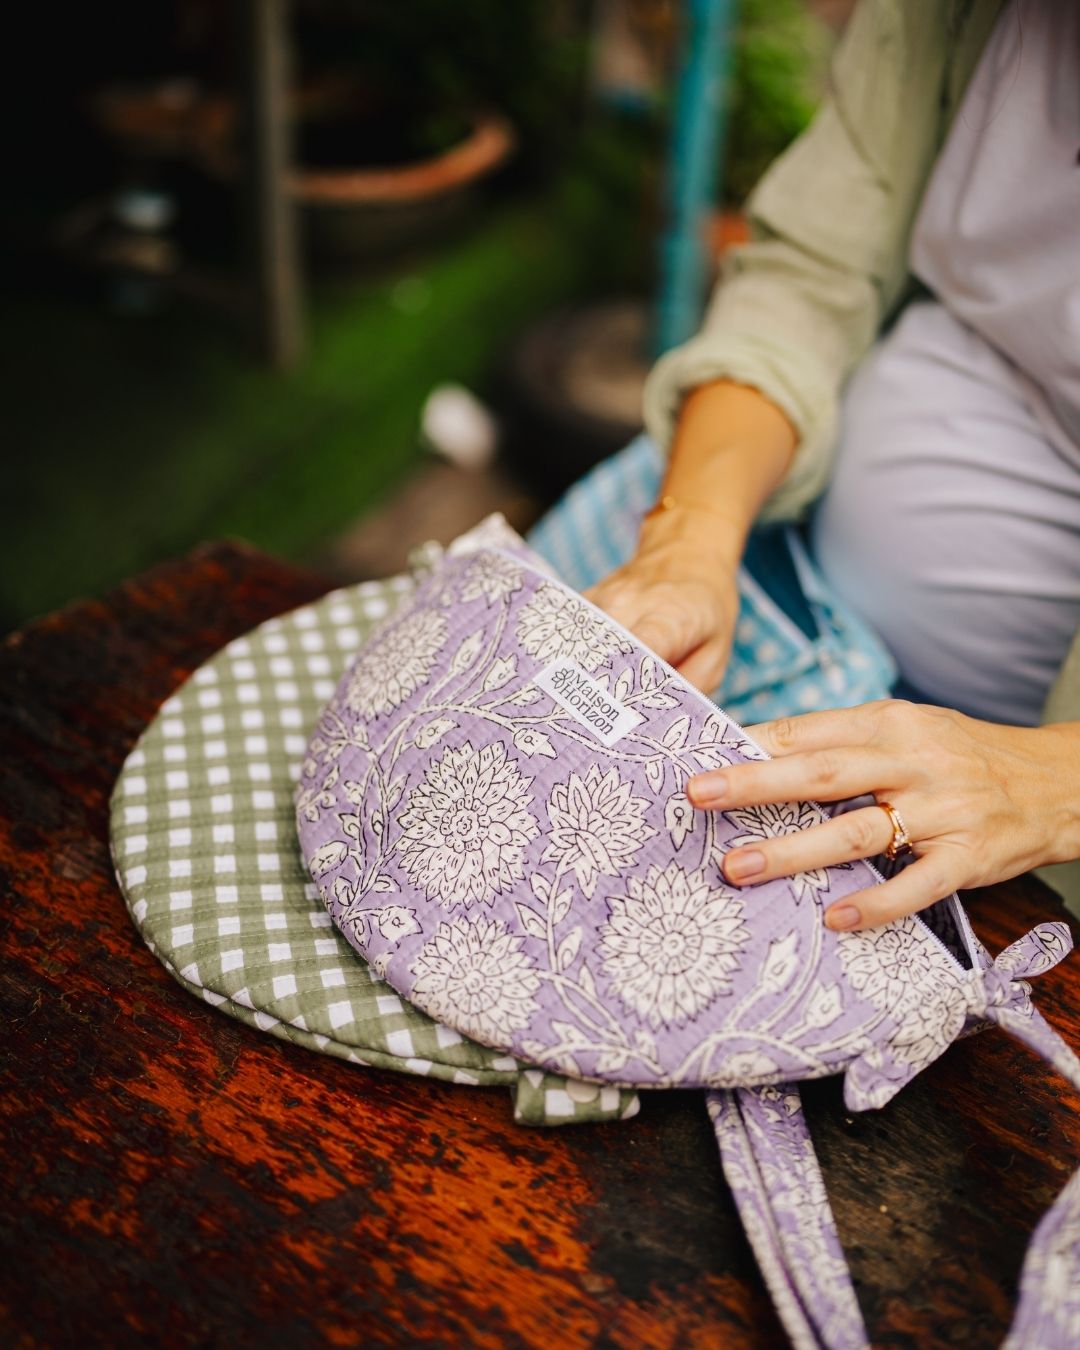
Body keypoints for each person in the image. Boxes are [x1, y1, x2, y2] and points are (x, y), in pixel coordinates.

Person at [585, 0, 1080, 927]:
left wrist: (1053, 784)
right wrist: (690, 538)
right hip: (761, 551)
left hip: (999, 801)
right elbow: (813, 268)